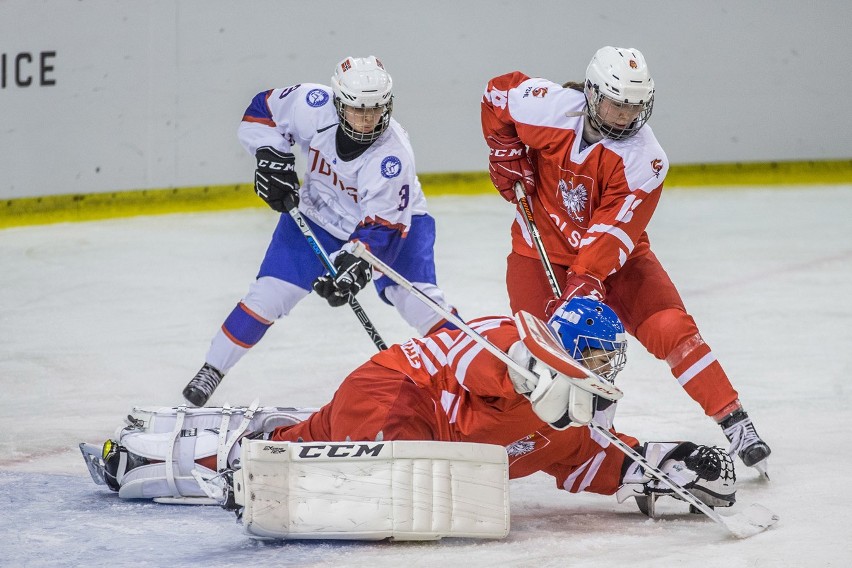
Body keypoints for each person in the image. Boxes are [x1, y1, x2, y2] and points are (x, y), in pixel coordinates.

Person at [97, 298, 736, 513]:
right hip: (396, 393)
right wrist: (522, 380)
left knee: (337, 454)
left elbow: (591, 462)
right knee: (367, 482)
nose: (608, 370)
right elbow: (458, 352)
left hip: (412, 429)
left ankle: (255, 437)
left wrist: (666, 465)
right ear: (566, 354)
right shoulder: (508, 348)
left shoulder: (573, 423)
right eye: (598, 357)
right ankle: (176, 458)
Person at [480, 46, 770, 474]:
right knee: (538, 356)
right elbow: (497, 94)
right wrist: (504, 150)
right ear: (593, 96)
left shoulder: (645, 159)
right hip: (538, 253)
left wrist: (585, 283)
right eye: (616, 102)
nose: (624, 115)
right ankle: (547, 440)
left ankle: (734, 419)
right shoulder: (549, 110)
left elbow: (612, 233)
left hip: (618, 262)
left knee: (671, 328)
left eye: (634, 105)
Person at [182, 56, 457, 407]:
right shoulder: (312, 104)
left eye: (375, 110)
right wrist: (271, 156)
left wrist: (354, 267)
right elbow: (261, 111)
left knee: (417, 301)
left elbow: (383, 227)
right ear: (338, 103)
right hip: (318, 213)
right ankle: (213, 369)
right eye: (357, 110)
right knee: (268, 296)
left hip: (396, 223)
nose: (367, 120)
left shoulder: (393, 156)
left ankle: (474, 372)